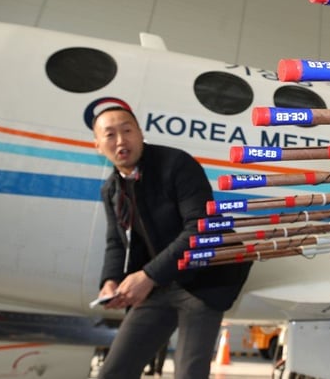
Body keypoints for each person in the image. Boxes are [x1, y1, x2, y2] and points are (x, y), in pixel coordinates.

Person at [92, 104, 250, 379]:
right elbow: (115, 241)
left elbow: (201, 228)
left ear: (140, 133)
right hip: (160, 282)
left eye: (127, 130)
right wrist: (111, 280)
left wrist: (148, 276)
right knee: (114, 371)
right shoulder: (111, 190)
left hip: (204, 280)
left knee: (189, 372)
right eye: (110, 134)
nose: (121, 140)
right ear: (98, 145)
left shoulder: (176, 164)